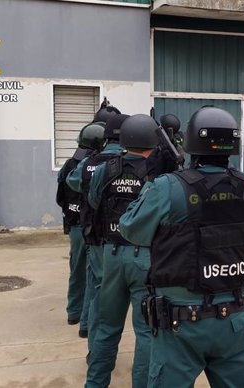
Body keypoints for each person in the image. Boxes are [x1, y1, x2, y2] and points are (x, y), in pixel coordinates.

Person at [119, 107, 244, 388]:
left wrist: (155, 181)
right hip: (235, 318)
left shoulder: (169, 186)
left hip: (181, 323)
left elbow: (131, 229)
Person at [85, 114, 159, 388]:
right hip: (146, 259)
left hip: (111, 255)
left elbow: (94, 200)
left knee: (106, 329)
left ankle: (94, 384)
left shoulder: (105, 168)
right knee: (147, 333)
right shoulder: (157, 173)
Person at [66, 103, 126, 360]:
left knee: (95, 284)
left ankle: (86, 328)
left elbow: (72, 182)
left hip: (93, 234)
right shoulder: (129, 163)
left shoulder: (88, 162)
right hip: (124, 239)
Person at [56, 122, 105, 338]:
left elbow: (60, 197)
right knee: (95, 276)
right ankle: (86, 320)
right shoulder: (105, 166)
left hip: (76, 226)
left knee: (76, 270)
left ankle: (73, 313)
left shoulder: (70, 165)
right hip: (94, 229)